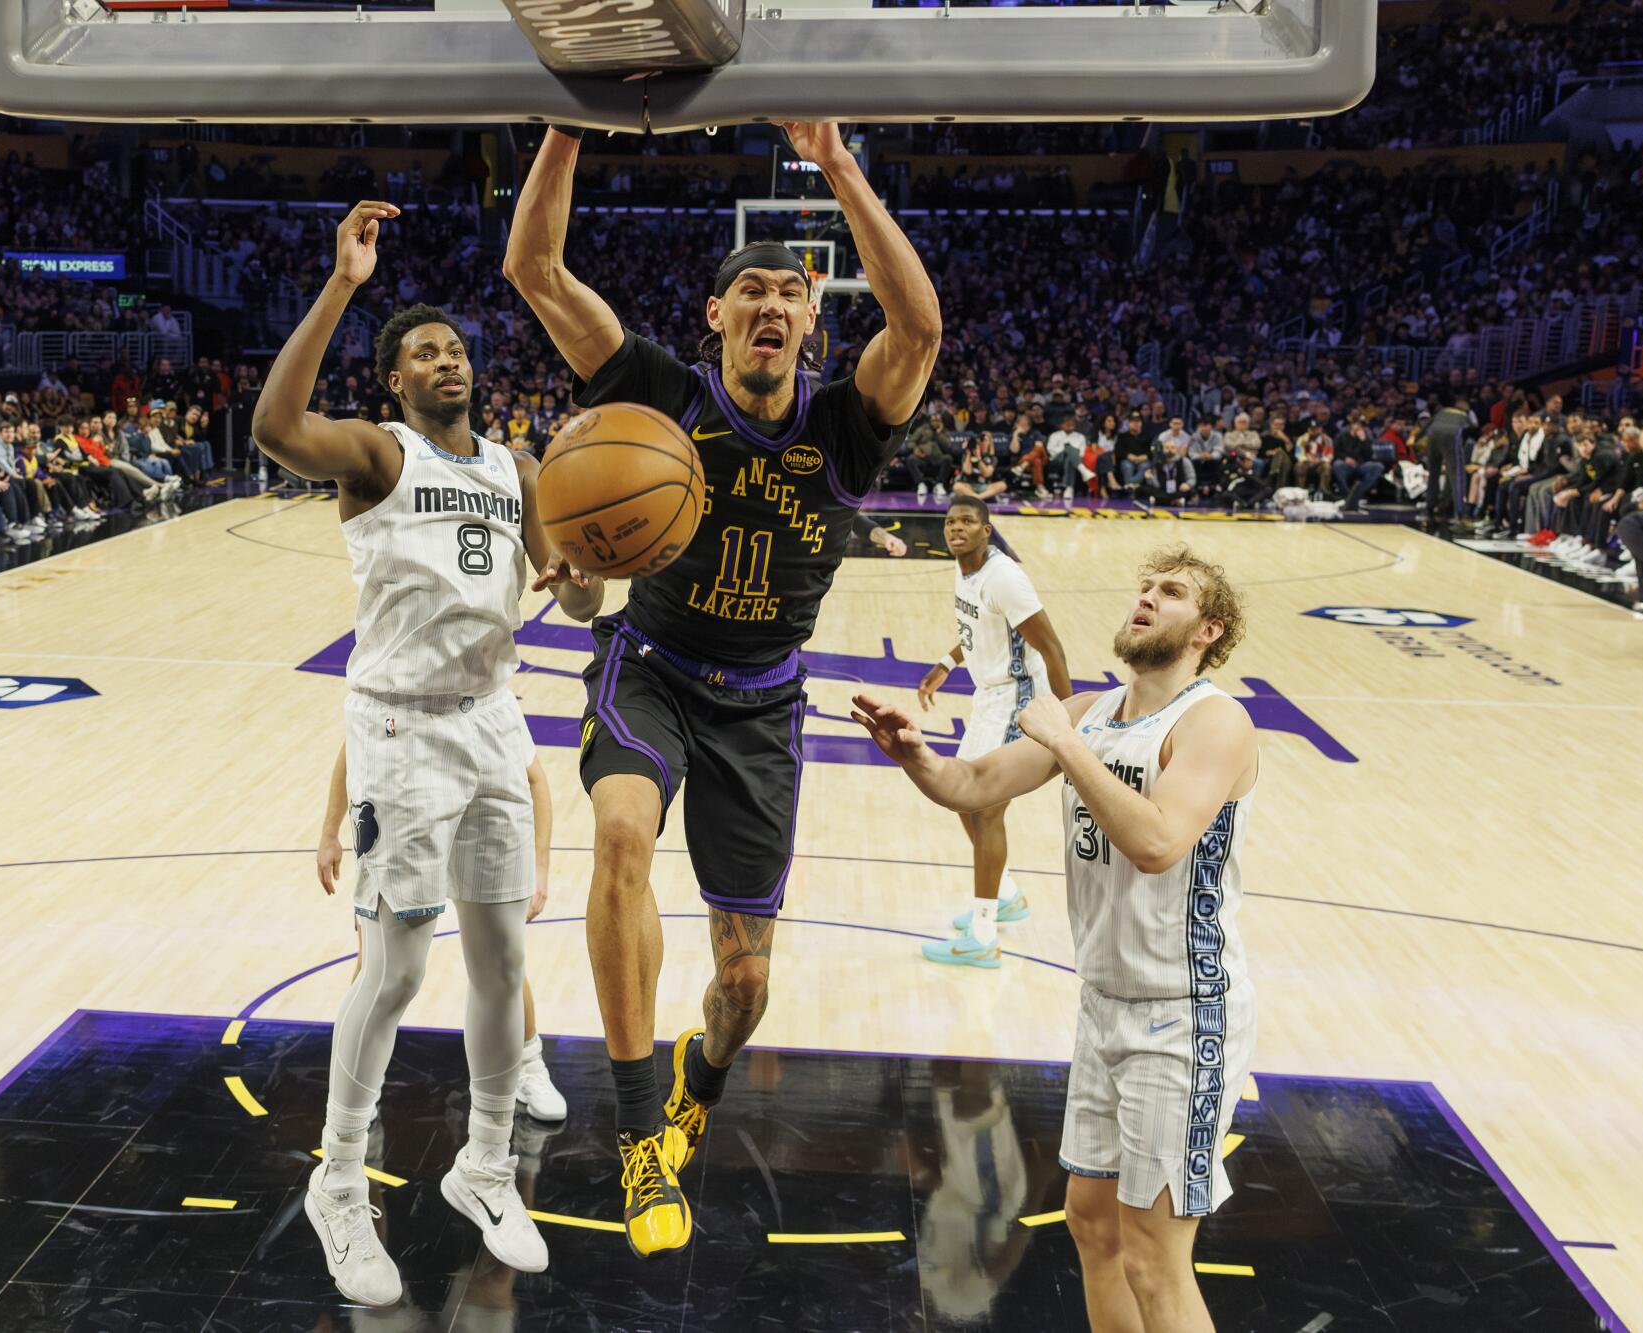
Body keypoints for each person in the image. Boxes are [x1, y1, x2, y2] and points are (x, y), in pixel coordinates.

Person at [503, 121, 939, 1258]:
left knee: (744, 984)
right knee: (619, 835)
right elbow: (534, 271)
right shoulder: (658, 391)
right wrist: (566, 125)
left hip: (762, 699)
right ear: (717, 315)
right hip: (650, 667)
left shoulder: (844, 426)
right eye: (750, 289)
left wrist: (837, 163)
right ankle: (636, 1131)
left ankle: (699, 1075)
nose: (770, 304)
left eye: (790, 293)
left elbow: (920, 328)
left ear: (811, 320)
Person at [251, 199, 604, 1304]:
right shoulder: (377, 454)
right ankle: (338, 1181)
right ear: (394, 381)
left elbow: (577, 598)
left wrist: (586, 569)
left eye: (456, 348)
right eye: (424, 353)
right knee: (397, 969)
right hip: (400, 728)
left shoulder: (515, 466)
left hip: (492, 717)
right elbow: (274, 424)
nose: (447, 360)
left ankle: (485, 1166)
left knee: (502, 961)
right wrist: (343, 285)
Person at [854, 545, 1258, 1333]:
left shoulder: (1215, 721)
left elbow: (1159, 840)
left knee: (1154, 1258)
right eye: (1145, 585)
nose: (1148, 596)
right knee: (1092, 1225)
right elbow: (974, 783)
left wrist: (1070, 747)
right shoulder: (1089, 713)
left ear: (1208, 629)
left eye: (1172, 592)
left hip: (1185, 1014)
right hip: (1105, 1005)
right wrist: (917, 756)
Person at [316, 738, 571, 1121]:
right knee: (378, 965)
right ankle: (360, 1089)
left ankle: (529, 1064)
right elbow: (352, 746)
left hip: (477, 829)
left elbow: (535, 778)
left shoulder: (483, 710)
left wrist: (541, 866)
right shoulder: (390, 706)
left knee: (501, 956)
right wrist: (329, 833)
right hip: (406, 829)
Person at [913, 496, 1070, 967]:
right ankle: (1005, 896)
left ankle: (983, 935)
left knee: (983, 810)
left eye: (967, 522)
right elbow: (976, 629)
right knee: (963, 798)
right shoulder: (965, 569)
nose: (956, 528)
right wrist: (945, 664)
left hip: (1017, 699)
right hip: (988, 699)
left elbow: (1053, 649)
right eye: (950, 521)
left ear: (986, 531)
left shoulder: (1004, 578)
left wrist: (1068, 723)